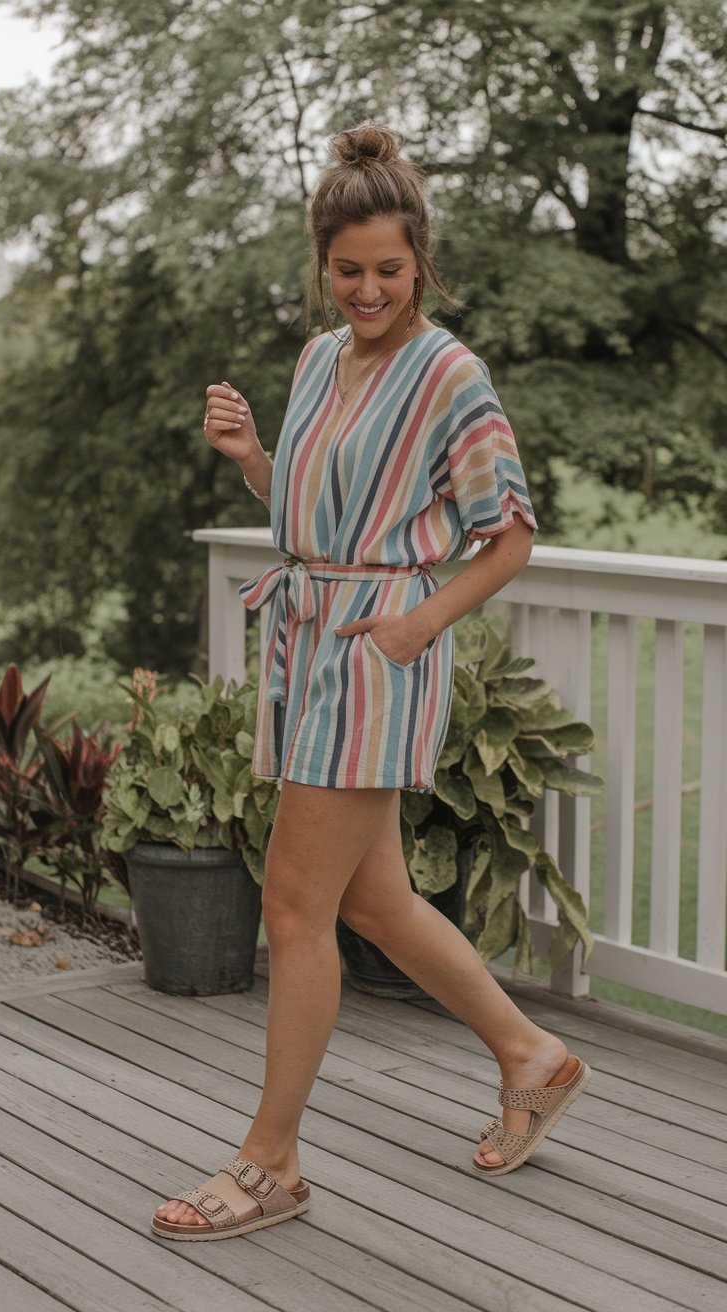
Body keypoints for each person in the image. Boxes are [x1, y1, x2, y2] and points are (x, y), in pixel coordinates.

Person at [151, 120, 591, 1242]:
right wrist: (254, 454)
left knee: (296, 904)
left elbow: (510, 537)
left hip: (377, 658)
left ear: (419, 260)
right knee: (372, 898)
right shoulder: (316, 360)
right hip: (312, 642)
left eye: (387, 270)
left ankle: (271, 1162)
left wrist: (413, 629)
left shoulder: (451, 373)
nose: (366, 289)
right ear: (323, 262)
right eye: (347, 270)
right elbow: (313, 522)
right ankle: (530, 1053)